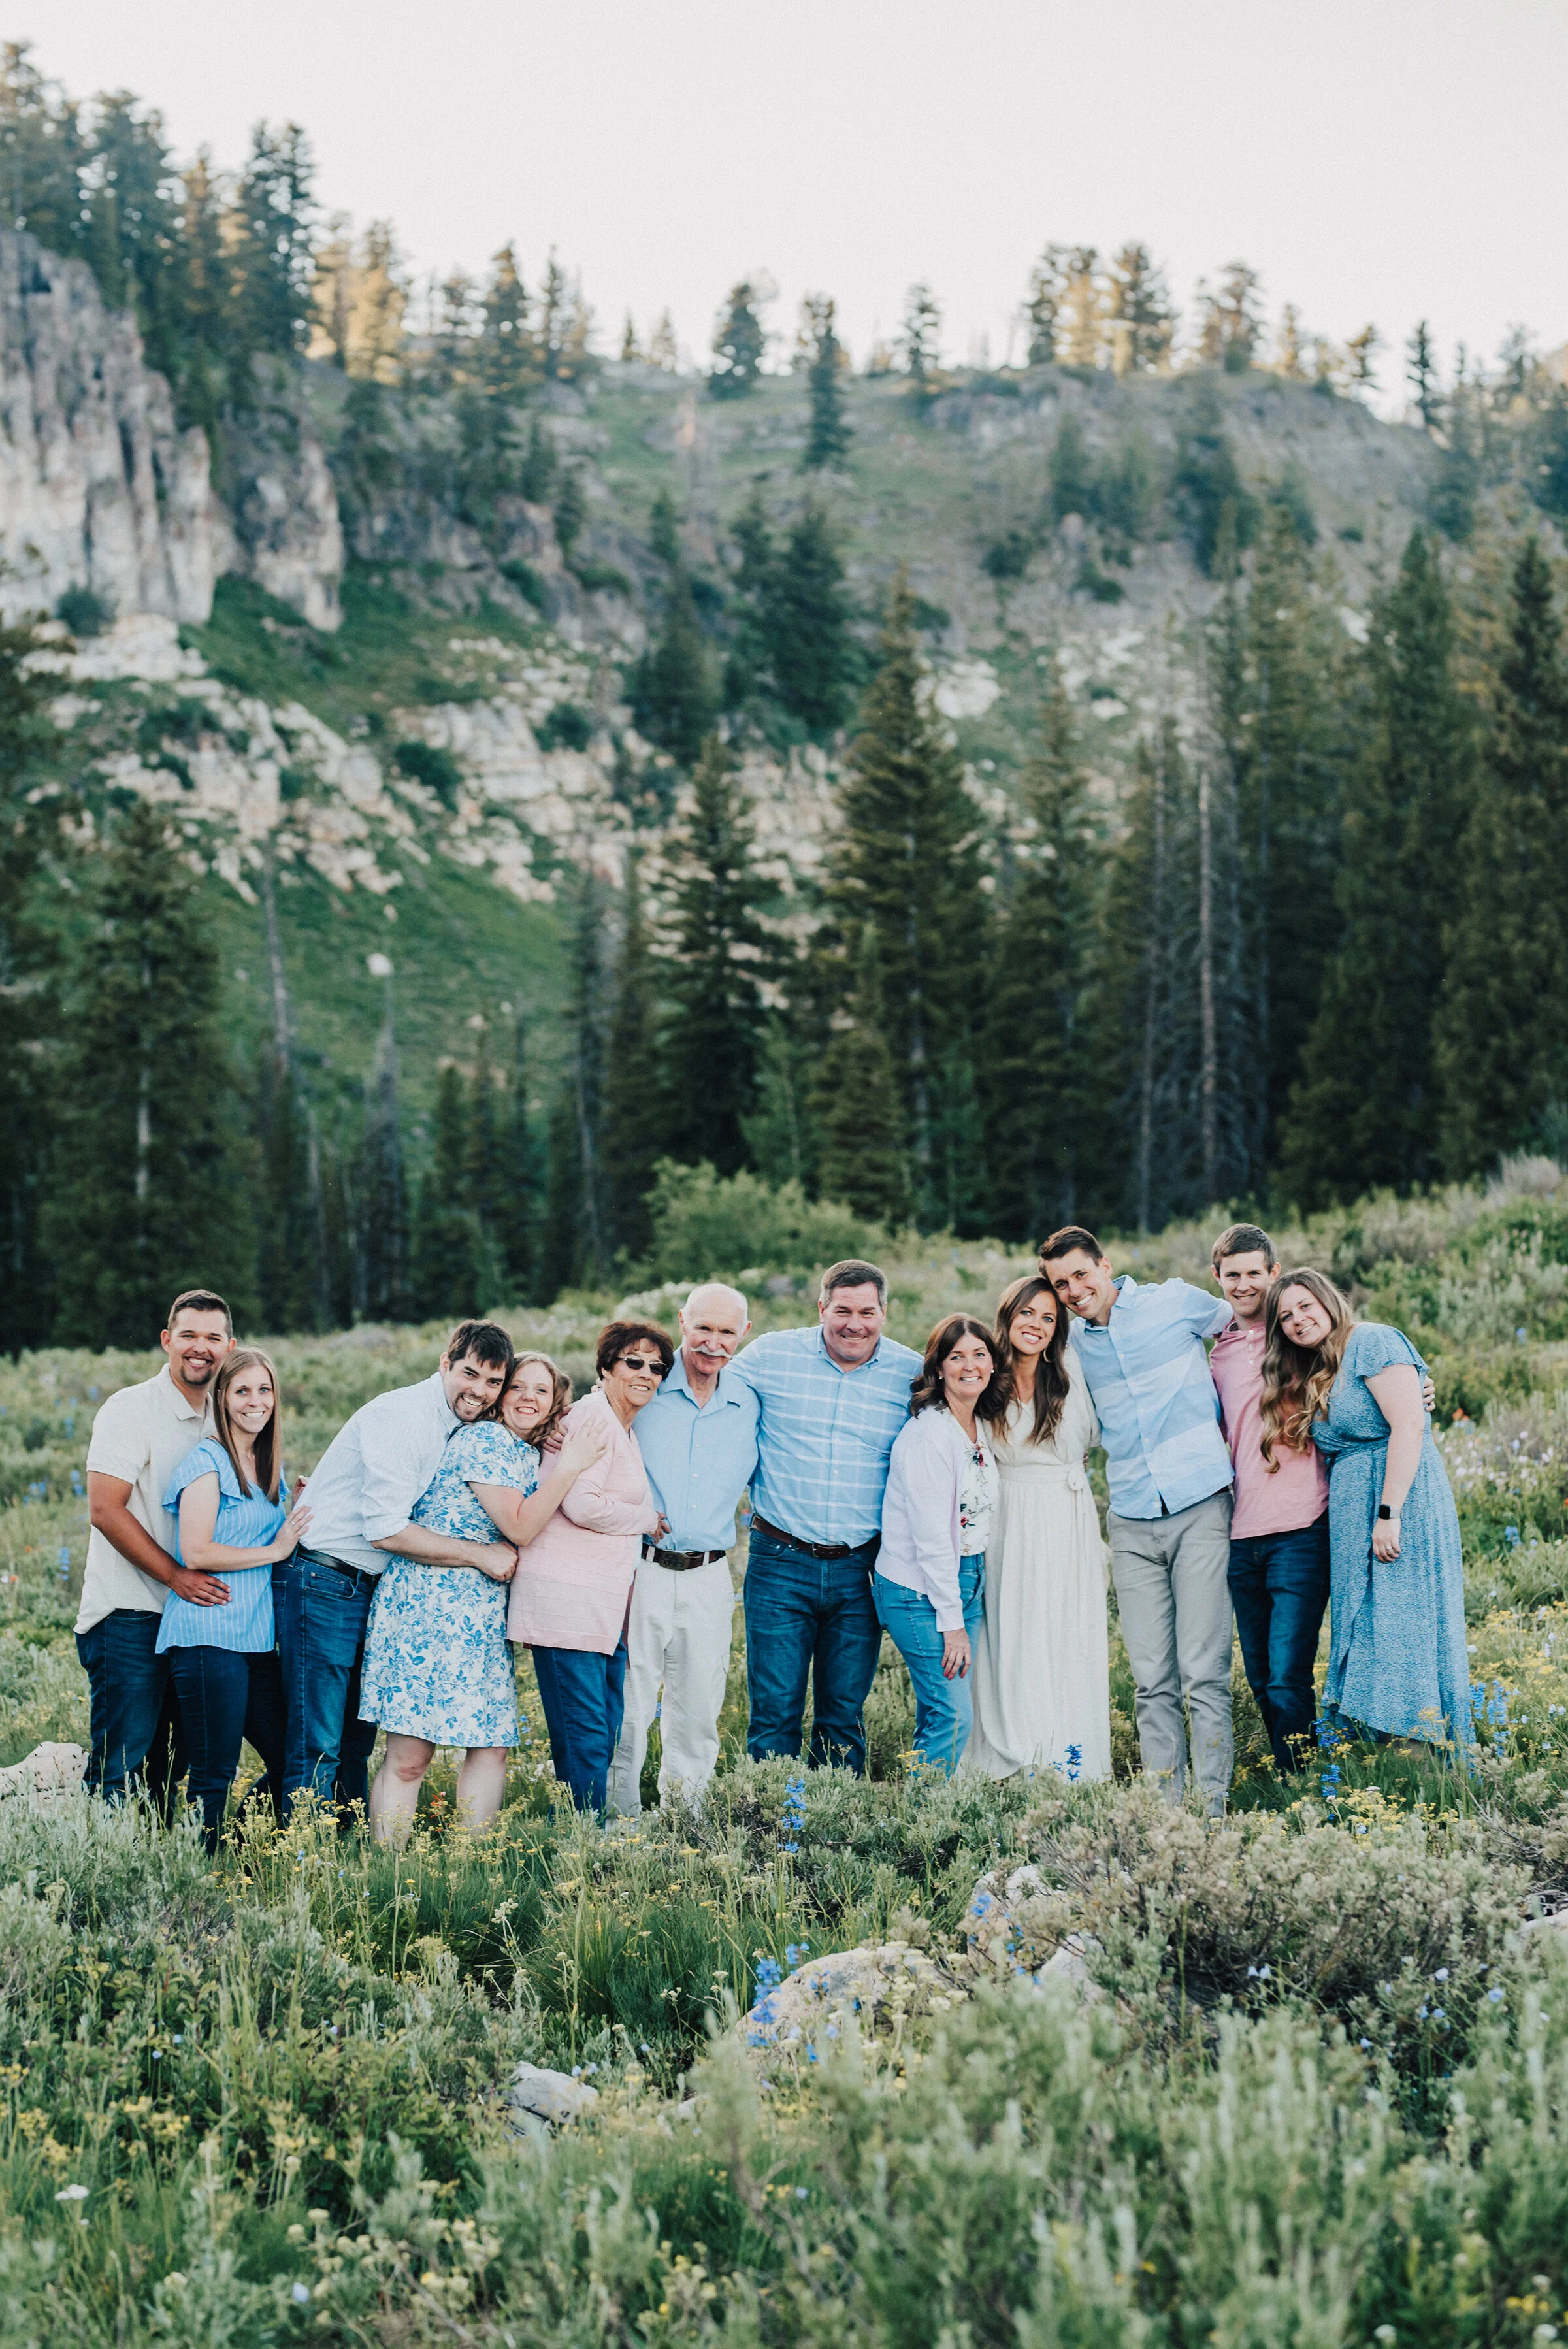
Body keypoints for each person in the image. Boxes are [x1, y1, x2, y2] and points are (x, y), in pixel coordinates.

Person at [361, 1351, 609, 1842]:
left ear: (554, 1403)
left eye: (541, 1391)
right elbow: (519, 1526)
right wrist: (571, 1465)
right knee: (411, 1756)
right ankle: (387, 1867)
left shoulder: (526, 1451)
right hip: (429, 1604)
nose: (528, 1398)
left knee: (491, 1746)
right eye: (517, 1387)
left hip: (483, 1615)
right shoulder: (484, 1440)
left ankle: (475, 1863)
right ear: (500, 1396)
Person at [274, 1321, 516, 1823]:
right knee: (318, 1740)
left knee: (355, 1741)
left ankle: (344, 1850)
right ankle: (299, 1853)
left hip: (366, 1588)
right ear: (445, 1363)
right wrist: (480, 1554)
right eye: (470, 1373)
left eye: (494, 1381)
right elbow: (386, 1530)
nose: (480, 1390)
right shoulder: (406, 1417)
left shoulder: (453, 1423)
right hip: (325, 1581)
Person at [1040, 1226, 1234, 1812]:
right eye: (1061, 1284)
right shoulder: (1070, 1343)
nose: (1074, 1291)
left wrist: (1396, 1379)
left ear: (1104, 1265)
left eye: (1081, 1274)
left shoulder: (1173, 1301)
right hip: (1129, 1517)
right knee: (1151, 1680)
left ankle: (1213, 1809)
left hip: (1201, 1504)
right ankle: (1164, 1813)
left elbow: (1252, 1325)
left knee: (1204, 1672)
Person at [1263, 1270, 1471, 1758]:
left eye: (1305, 1306)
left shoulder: (1372, 1341)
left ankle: (1425, 1756)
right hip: (1353, 1516)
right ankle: (1388, 1758)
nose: (1297, 1320)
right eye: (1286, 1316)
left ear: (1329, 1300)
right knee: (1369, 1629)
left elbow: (1410, 1426)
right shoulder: (1318, 1366)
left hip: (1398, 1502)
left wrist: (1389, 1512)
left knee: (1403, 1624)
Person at [734, 1260, 923, 1775]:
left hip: (862, 1567)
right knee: (774, 1711)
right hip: (780, 1560)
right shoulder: (771, 1356)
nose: (854, 1324)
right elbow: (705, 1384)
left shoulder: (912, 1374)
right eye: (842, 1311)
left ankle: (834, 1816)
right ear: (821, 1308)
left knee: (842, 1715)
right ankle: (771, 1817)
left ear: (884, 1312)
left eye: (867, 1312)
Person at [78, 1289, 237, 1809]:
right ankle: (98, 1858)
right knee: (119, 1767)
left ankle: (155, 1855)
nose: (200, 1347)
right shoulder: (130, 1408)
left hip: (192, 1621)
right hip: (130, 1613)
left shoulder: (226, 1413)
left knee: (168, 1770)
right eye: (188, 1335)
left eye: (212, 1337)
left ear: (230, 1346)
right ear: (167, 1340)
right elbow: (105, 1509)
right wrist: (175, 1575)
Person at [507, 1322, 671, 1813]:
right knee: (586, 1734)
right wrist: (646, 1519)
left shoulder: (619, 1424)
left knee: (602, 1727)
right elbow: (583, 1505)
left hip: (601, 1608)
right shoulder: (592, 1419)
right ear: (605, 1368)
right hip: (568, 1604)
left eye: (657, 1367)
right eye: (633, 1362)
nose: (646, 1373)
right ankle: (584, 1841)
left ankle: (591, 1833)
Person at [609, 1285, 758, 1816]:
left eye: (726, 1331)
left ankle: (685, 1820)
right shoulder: (644, 1385)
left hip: (710, 1575)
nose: (713, 1342)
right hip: (640, 1568)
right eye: (703, 1328)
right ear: (682, 1322)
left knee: (698, 1707)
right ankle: (618, 1819)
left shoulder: (749, 1401)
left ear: (744, 1334)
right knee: (629, 1703)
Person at [159, 1348, 309, 1852]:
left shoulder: (266, 1465)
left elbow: (270, 1534)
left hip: (255, 1640)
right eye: (242, 1390)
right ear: (222, 1397)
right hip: (208, 1635)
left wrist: (301, 1505)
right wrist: (276, 1549)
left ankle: (240, 1851)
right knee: (214, 1770)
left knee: (292, 1754)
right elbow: (196, 1550)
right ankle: (199, 1872)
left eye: (264, 1389)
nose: (255, 1401)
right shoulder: (207, 1462)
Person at [966, 1274, 1111, 1782]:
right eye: (1027, 1312)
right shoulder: (986, 1371)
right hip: (1007, 1513)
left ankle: (1068, 1756)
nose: (1037, 1324)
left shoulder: (1068, 1369)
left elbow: (1093, 1433)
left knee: (1066, 1629)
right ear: (1008, 1315)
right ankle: (1013, 1750)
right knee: (1012, 1626)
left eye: (1049, 1317)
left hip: (1066, 1512)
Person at [875, 1315, 999, 1773]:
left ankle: (924, 1804)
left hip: (966, 1580)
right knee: (952, 1715)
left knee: (939, 1710)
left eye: (979, 1354)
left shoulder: (977, 1423)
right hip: (919, 1590)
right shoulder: (930, 1434)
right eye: (957, 1357)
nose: (970, 1366)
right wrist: (952, 1622)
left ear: (992, 1363)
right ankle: (928, 1812)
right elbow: (931, 1540)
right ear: (939, 1368)